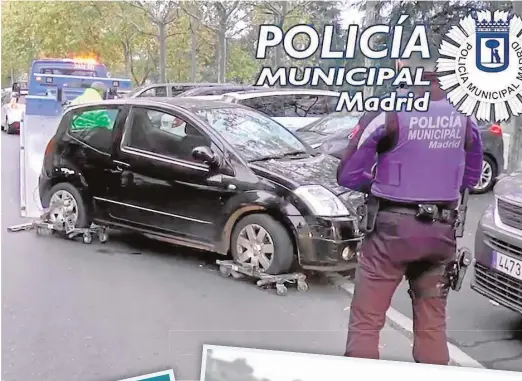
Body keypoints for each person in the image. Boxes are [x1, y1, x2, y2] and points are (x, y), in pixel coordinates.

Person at [337, 53, 483, 365]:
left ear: (404, 67)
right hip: (441, 235)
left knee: (366, 324)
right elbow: (471, 177)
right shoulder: (464, 114)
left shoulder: (389, 111)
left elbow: (348, 173)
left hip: (390, 233)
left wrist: (380, 183)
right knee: (432, 326)